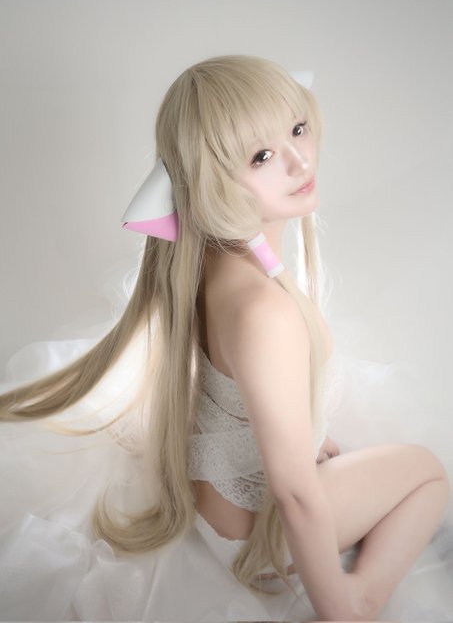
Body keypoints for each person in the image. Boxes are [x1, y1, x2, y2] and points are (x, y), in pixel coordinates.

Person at [0, 54, 452, 622]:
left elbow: (235, 389)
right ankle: (357, 598)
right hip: (258, 535)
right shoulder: (264, 312)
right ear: (213, 181)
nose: (299, 160)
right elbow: (295, 495)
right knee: (427, 470)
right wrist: (336, 609)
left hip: (221, 503)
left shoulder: (216, 260)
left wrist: (300, 436)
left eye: (297, 129)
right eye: (261, 156)